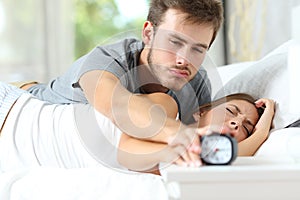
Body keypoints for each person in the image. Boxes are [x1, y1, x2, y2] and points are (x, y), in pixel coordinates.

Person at [20, 0, 224, 154]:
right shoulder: (108, 60)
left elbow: (209, 146)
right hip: (20, 97)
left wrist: (256, 128)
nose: (184, 60)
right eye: (174, 42)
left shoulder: (196, 83)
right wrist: (176, 132)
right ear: (148, 34)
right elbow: (117, 105)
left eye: (198, 50)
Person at [0, 82, 275, 175]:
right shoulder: (166, 106)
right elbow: (124, 148)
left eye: (246, 128)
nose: (237, 123)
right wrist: (260, 132)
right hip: (12, 114)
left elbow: (224, 158)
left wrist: (262, 130)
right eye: (231, 112)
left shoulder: (186, 161)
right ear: (201, 111)